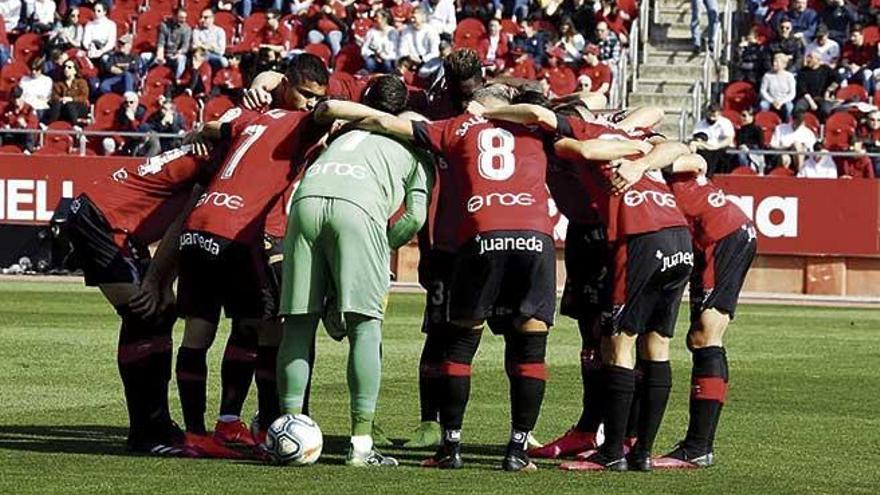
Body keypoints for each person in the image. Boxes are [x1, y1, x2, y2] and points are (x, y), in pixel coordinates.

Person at [355, 84, 560, 472]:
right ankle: (517, 452)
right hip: (536, 237)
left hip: (482, 234)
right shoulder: (535, 128)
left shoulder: (456, 127)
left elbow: (389, 122)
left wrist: (339, 115)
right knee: (530, 349)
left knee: (460, 345)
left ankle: (450, 449)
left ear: (474, 105)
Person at [170, 54, 331, 457]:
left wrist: (197, 132)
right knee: (265, 327)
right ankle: (267, 426)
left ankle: (205, 432)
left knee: (201, 332)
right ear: (287, 85)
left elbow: (214, 127)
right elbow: (334, 115)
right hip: (239, 231)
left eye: (316, 99)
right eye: (305, 95)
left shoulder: (250, 116)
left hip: (200, 224)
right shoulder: (301, 123)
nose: (310, 104)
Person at [277, 76, 434, 467]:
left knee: (297, 324)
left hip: (306, 201)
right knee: (365, 326)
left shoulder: (341, 131)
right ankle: (361, 444)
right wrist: (383, 248)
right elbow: (414, 218)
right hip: (359, 210)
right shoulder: (417, 146)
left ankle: (287, 428)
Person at [63, 144, 219, 456]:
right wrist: (154, 282)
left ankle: (153, 427)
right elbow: (181, 227)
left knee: (159, 313)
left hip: (110, 222)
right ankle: (148, 432)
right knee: (145, 316)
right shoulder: (215, 164)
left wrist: (163, 284)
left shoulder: (209, 153)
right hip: (102, 222)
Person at [651, 160, 757, 469]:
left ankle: (698, 447)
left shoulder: (651, 150)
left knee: (705, 335)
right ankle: (698, 446)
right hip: (716, 237)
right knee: (701, 337)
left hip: (721, 235)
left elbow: (693, 158)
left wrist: (643, 157)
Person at [691, 103, 736, 175]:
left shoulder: (725, 123)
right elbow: (697, 140)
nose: (711, 117)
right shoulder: (700, 124)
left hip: (722, 148)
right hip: (706, 148)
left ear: (719, 114)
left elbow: (729, 140)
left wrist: (715, 147)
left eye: (714, 115)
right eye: (710, 114)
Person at [398, 7, 442, 80]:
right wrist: (409, 57)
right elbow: (402, 49)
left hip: (427, 61)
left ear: (422, 18)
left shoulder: (431, 31)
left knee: (424, 72)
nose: (412, 20)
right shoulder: (406, 30)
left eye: (414, 18)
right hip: (410, 60)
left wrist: (421, 59)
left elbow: (435, 53)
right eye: (411, 18)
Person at [152, 8, 192, 82]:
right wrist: (160, 55)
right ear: (174, 16)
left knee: (181, 59)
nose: (184, 20)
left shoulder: (186, 29)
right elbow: (161, 43)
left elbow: (185, 46)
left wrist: (178, 53)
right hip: (164, 54)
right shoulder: (164, 25)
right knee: (144, 57)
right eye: (181, 17)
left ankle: (177, 79)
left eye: (185, 18)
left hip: (176, 54)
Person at [47, 59, 90, 125]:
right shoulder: (59, 83)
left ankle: (76, 125)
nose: (66, 69)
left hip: (78, 107)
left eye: (69, 67)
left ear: (75, 70)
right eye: (65, 67)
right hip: (63, 107)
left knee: (70, 105)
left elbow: (84, 97)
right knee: (57, 104)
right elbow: (54, 95)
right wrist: (61, 99)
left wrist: (71, 99)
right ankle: (51, 125)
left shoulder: (81, 82)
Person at [795, 51, 838, 117]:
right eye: (808, 57)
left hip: (822, 97)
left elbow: (838, 79)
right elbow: (803, 90)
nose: (808, 59)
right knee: (799, 108)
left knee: (826, 110)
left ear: (818, 60)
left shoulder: (826, 69)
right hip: (808, 98)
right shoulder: (803, 71)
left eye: (811, 57)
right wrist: (811, 102)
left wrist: (829, 91)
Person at [759, 53, 797, 121]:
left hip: (784, 100)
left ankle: (788, 123)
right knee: (763, 105)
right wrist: (772, 101)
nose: (774, 64)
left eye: (777, 62)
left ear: (784, 65)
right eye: (774, 61)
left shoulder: (789, 76)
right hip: (771, 99)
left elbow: (792, 93)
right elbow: (763, 91)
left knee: (789, 107)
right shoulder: (767, 75)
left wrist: (781, 102)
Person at [0, 86, 38, 152]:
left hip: (23, 134)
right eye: (14, 97)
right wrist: (4, 126)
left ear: (22, 97)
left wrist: (25, 125)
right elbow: (2, 121)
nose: (16, 100)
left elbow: (34, 126)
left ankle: (28, 151)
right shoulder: (7, 108)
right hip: (11, 133)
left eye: (18, 97)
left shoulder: (29, 109)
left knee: (30, 132)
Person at [839, 24, 874, 92]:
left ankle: (865, 95)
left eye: (855, 36)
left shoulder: (869, 45)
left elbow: (870, 63)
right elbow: (843, 61)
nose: (852, 38)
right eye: (851, 36)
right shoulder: (848, 44)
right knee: (841, 71)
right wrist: (849, 66)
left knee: (867, 73)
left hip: (863, 70)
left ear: (862, 35)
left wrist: (860, 68)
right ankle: (844, 94)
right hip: (851, 70)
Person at [361, 9, 398, 74]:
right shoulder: (371, 31)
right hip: (374, 58)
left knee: (387, 64)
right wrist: (374, 55)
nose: (375, 19)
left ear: (384, 19)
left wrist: (384, 57)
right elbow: (364, 48)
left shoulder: (393, 32)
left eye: (377, 17)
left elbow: (396, 50)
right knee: (369, 63)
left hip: (388, 58)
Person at [18, 56, 52, 121]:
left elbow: (44, 97)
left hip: (40, 108)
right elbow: (21, 96)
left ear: (41, 69)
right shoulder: (24, 79)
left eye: (36, 70)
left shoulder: (47, 80)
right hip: (26, 108)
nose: (33, 72)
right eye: (32, 69)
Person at [857, 110, 880, 176]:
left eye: (879, 120)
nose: (875, 123)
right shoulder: (862, 128)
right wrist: (874, 142)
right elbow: (858, 141)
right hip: (865, 154)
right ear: (867, 120)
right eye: (872, 120)